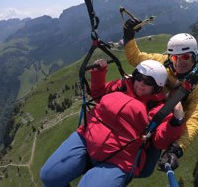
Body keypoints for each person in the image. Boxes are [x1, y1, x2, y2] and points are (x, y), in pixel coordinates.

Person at [40, 59, 185, 187]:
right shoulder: (121, 86)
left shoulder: (157, 108)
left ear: (157, 87)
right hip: (87, 138)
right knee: (49, 176)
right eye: (139, 77)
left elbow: (159, 141)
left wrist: (176, 120)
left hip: (120, 158)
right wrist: (99, 72)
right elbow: (98, 95)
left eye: (148, 82)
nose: (141, 83)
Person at [123, 19, 198, 174]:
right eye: (175, 57)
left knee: (145, 170)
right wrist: (129, 36)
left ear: (194, 57)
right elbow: (136, 58)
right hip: (140, 109)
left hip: (160, 126)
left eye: (186, 57)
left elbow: (193, 121)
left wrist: (176, 149)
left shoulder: (196, 91)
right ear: (170, 57)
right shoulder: (161, 62)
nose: (180, 62)